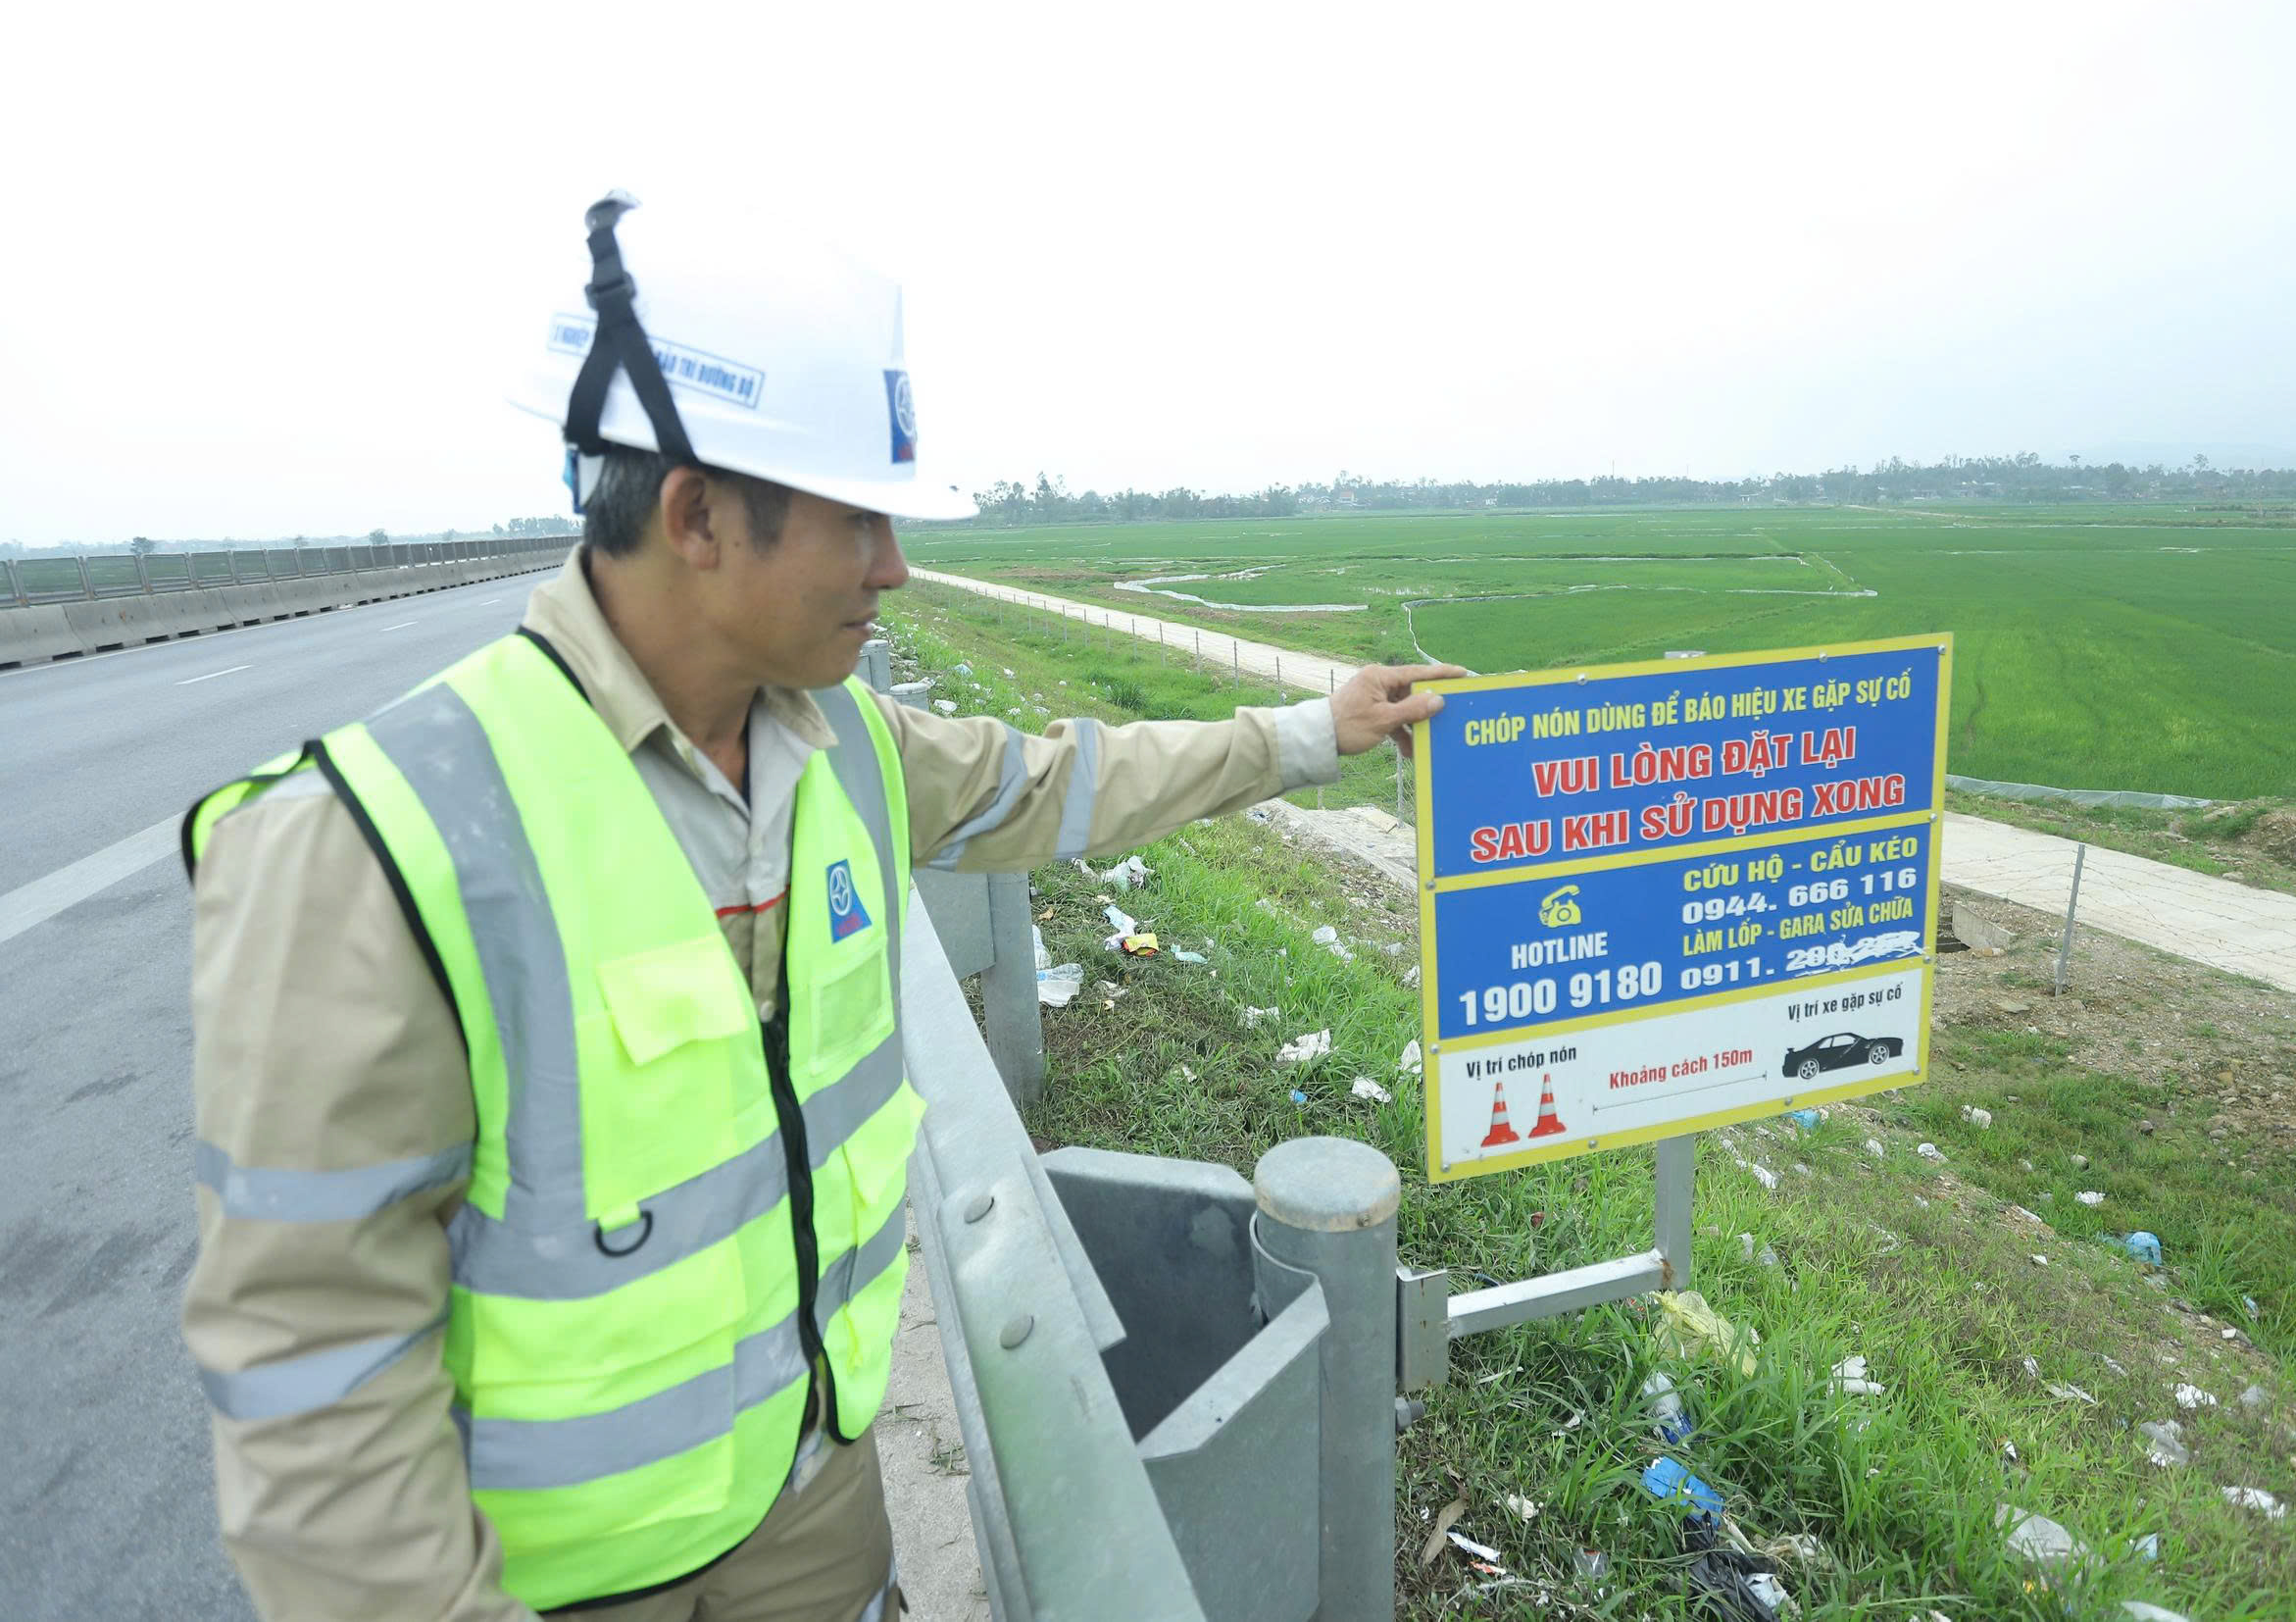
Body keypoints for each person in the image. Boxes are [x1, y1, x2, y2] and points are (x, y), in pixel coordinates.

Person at [180, 193, 1455, 1621]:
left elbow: (1065, 783)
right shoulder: (374, 846)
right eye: (860, 522)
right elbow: (315, 1380)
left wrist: (1311, 732)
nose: (894, 570)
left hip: (822, 1524)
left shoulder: (844, 745)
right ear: (699, 515)